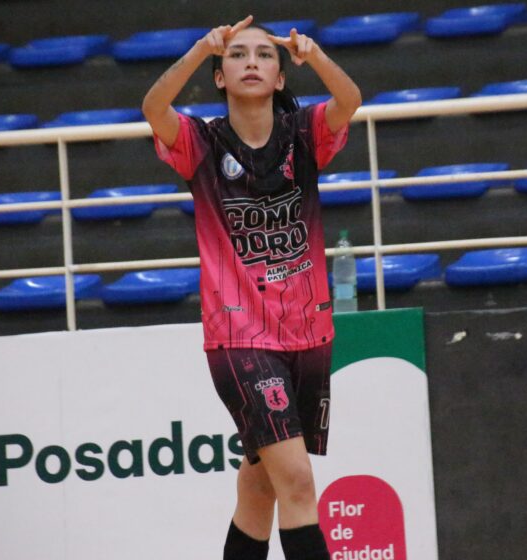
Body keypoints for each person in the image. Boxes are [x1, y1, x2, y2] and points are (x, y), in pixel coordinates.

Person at [142, 15, 361, 560]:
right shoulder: (201, 143)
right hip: (239, 337)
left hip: (309, 332)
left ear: (281, 77)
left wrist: (317, 56)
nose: (251, 63)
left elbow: (350, 98)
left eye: (265, 55)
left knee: (260, 486)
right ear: (220, 76)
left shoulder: (305, 134)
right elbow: (152, 108)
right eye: (237, 55)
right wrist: (199, 48)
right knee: (299, 482)